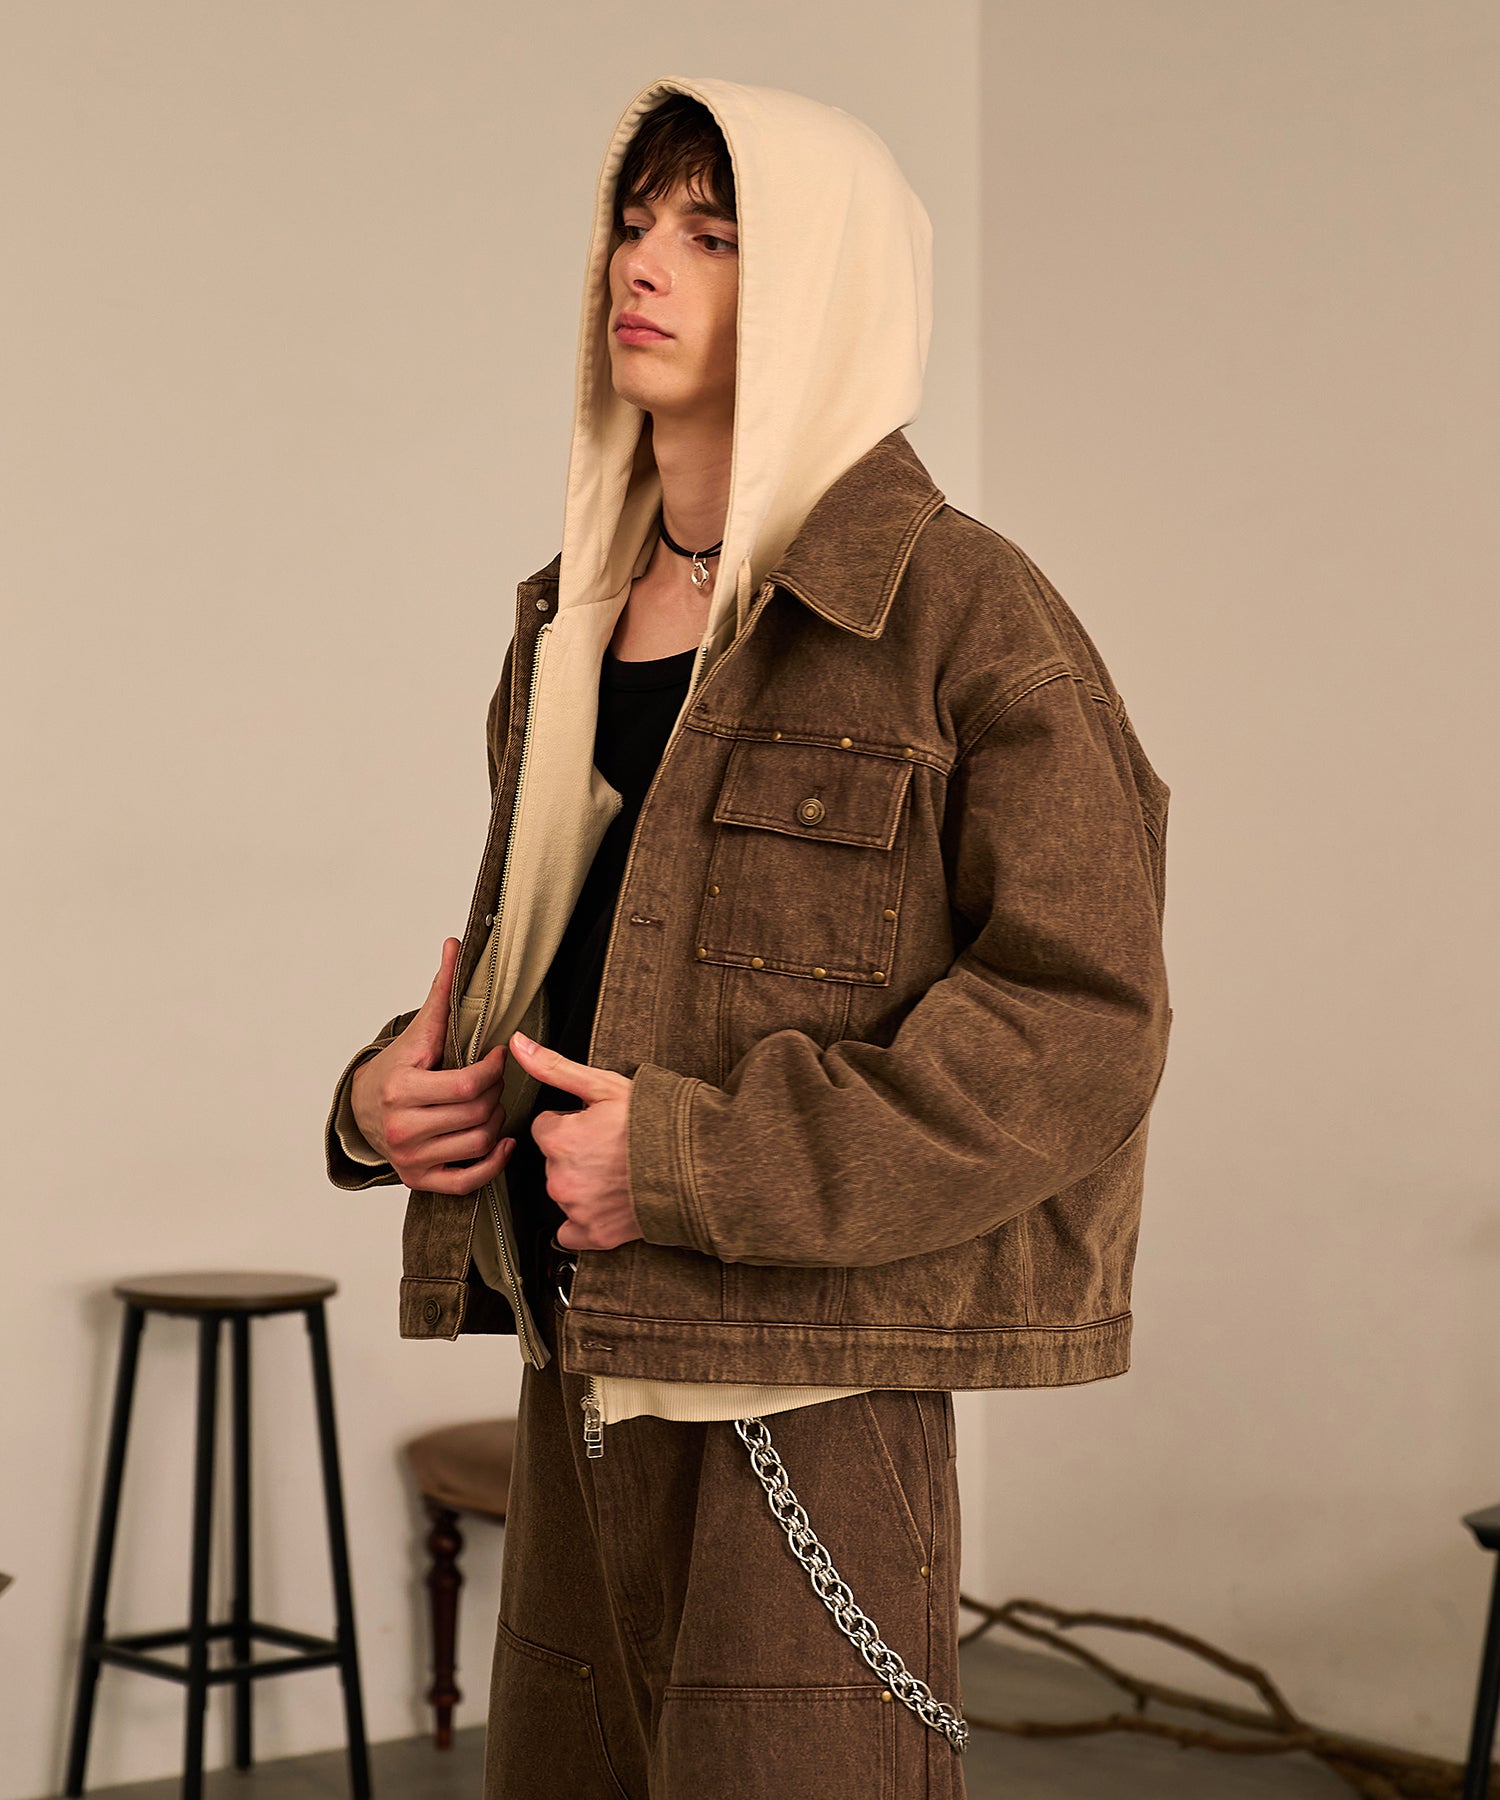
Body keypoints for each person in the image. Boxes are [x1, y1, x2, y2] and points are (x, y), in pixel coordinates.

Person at [323, 76, 1172, 1800]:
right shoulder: (567, 621)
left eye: (713, 235)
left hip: (807, 1405)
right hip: (581, 1360)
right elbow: (580, 965)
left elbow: (1085, 1020)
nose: (641, 264)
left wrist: (699, 1166)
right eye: (635, 223)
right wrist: (381, 1102)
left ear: (829, 287)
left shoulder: (966, 616)